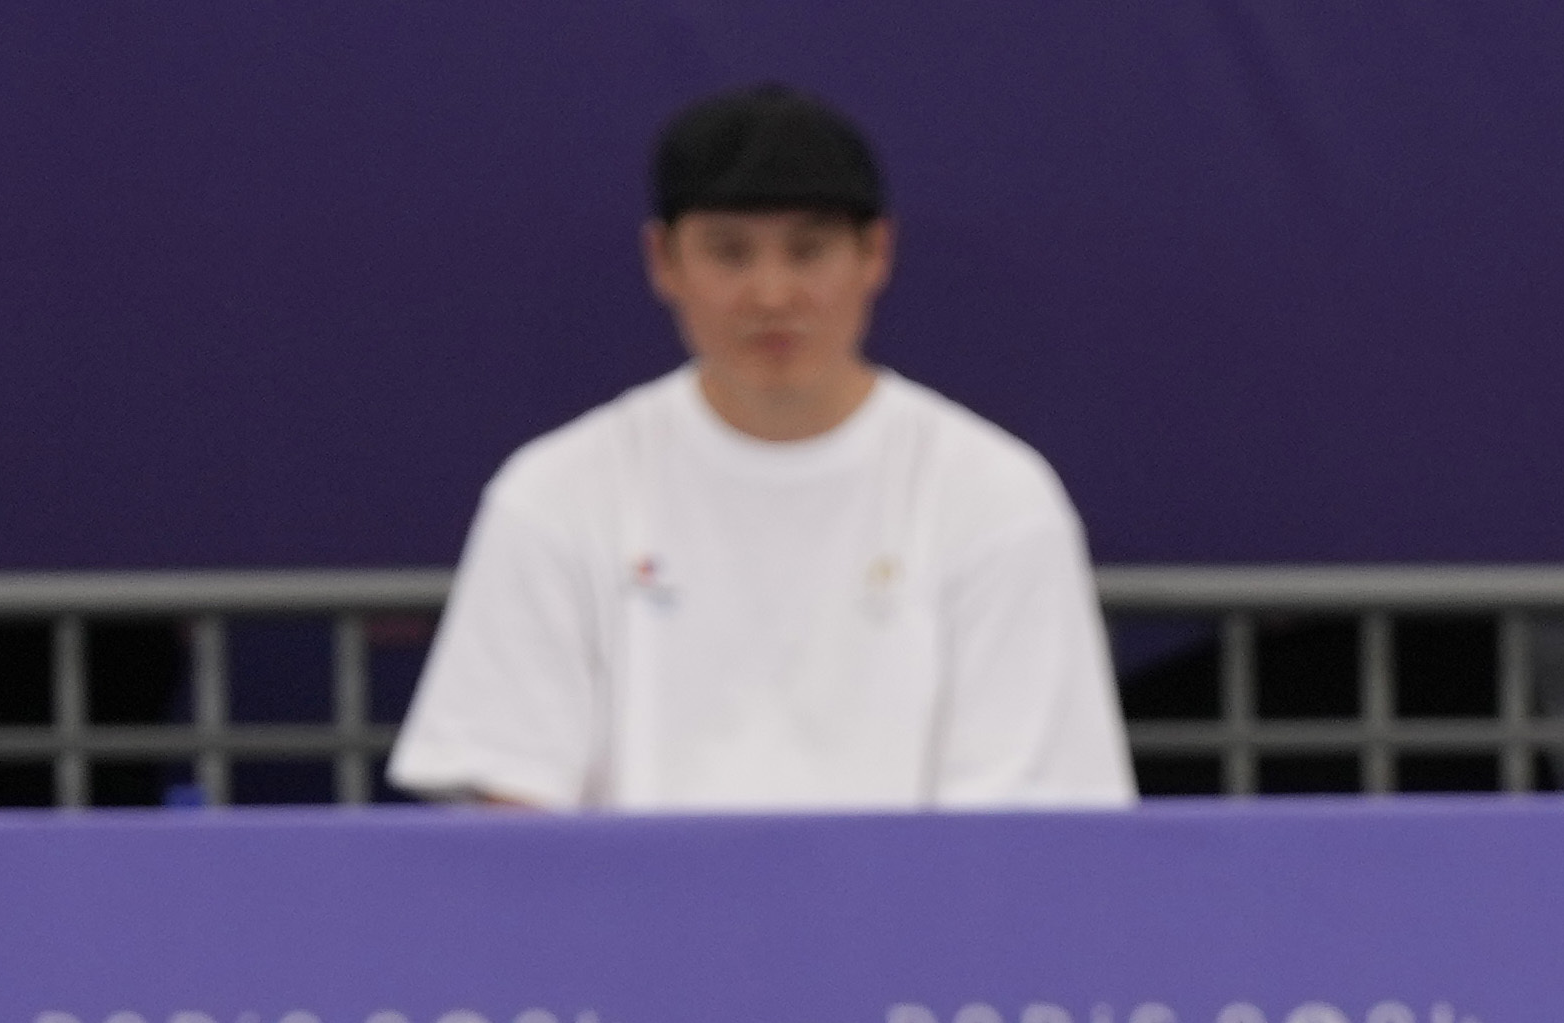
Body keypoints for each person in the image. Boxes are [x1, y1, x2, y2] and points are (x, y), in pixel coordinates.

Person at [393, 87, 1131, 814]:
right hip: (630, 928)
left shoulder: (995, 496)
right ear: (663, 260)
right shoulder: (555, 492)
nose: (771, 294)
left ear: (875, 254)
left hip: (914, 930)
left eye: (809, 251)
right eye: (729, 252)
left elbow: (1031, 822)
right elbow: (509, 805)